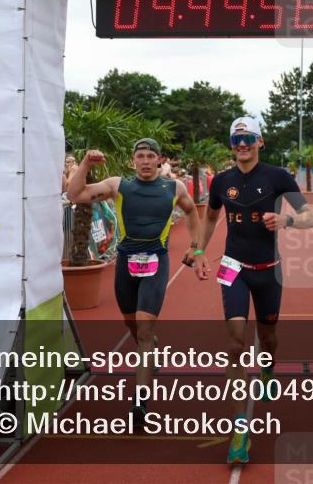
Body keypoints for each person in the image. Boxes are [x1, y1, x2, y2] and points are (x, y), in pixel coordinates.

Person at [66, 138, 208, 428]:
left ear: (159, 160)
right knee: (132, 326)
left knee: (143, 330)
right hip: (126, 265)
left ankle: (140, 400)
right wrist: (85, 164)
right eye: (140, 156)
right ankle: (149, 345)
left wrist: (195, 246)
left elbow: (193, 211)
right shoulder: (120, 186)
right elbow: (75, 194)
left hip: (157, 263)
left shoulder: (174, 188)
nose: (145, 161)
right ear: (133, 161)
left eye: (150, 156)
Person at [198, 116, 313, 464]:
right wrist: (201, 250)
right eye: (236, 140)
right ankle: (239, 428)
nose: (242, 145)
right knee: (234, 345)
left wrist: (286, 220)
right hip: (233, 270)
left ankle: (268, 367)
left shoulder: (278, 177)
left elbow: (310, 216)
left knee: (268, 338)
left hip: (268, 272)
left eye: (248, 138)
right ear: (231, 145)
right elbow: (208, 218)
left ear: (260, 141)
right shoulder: (221, 181)